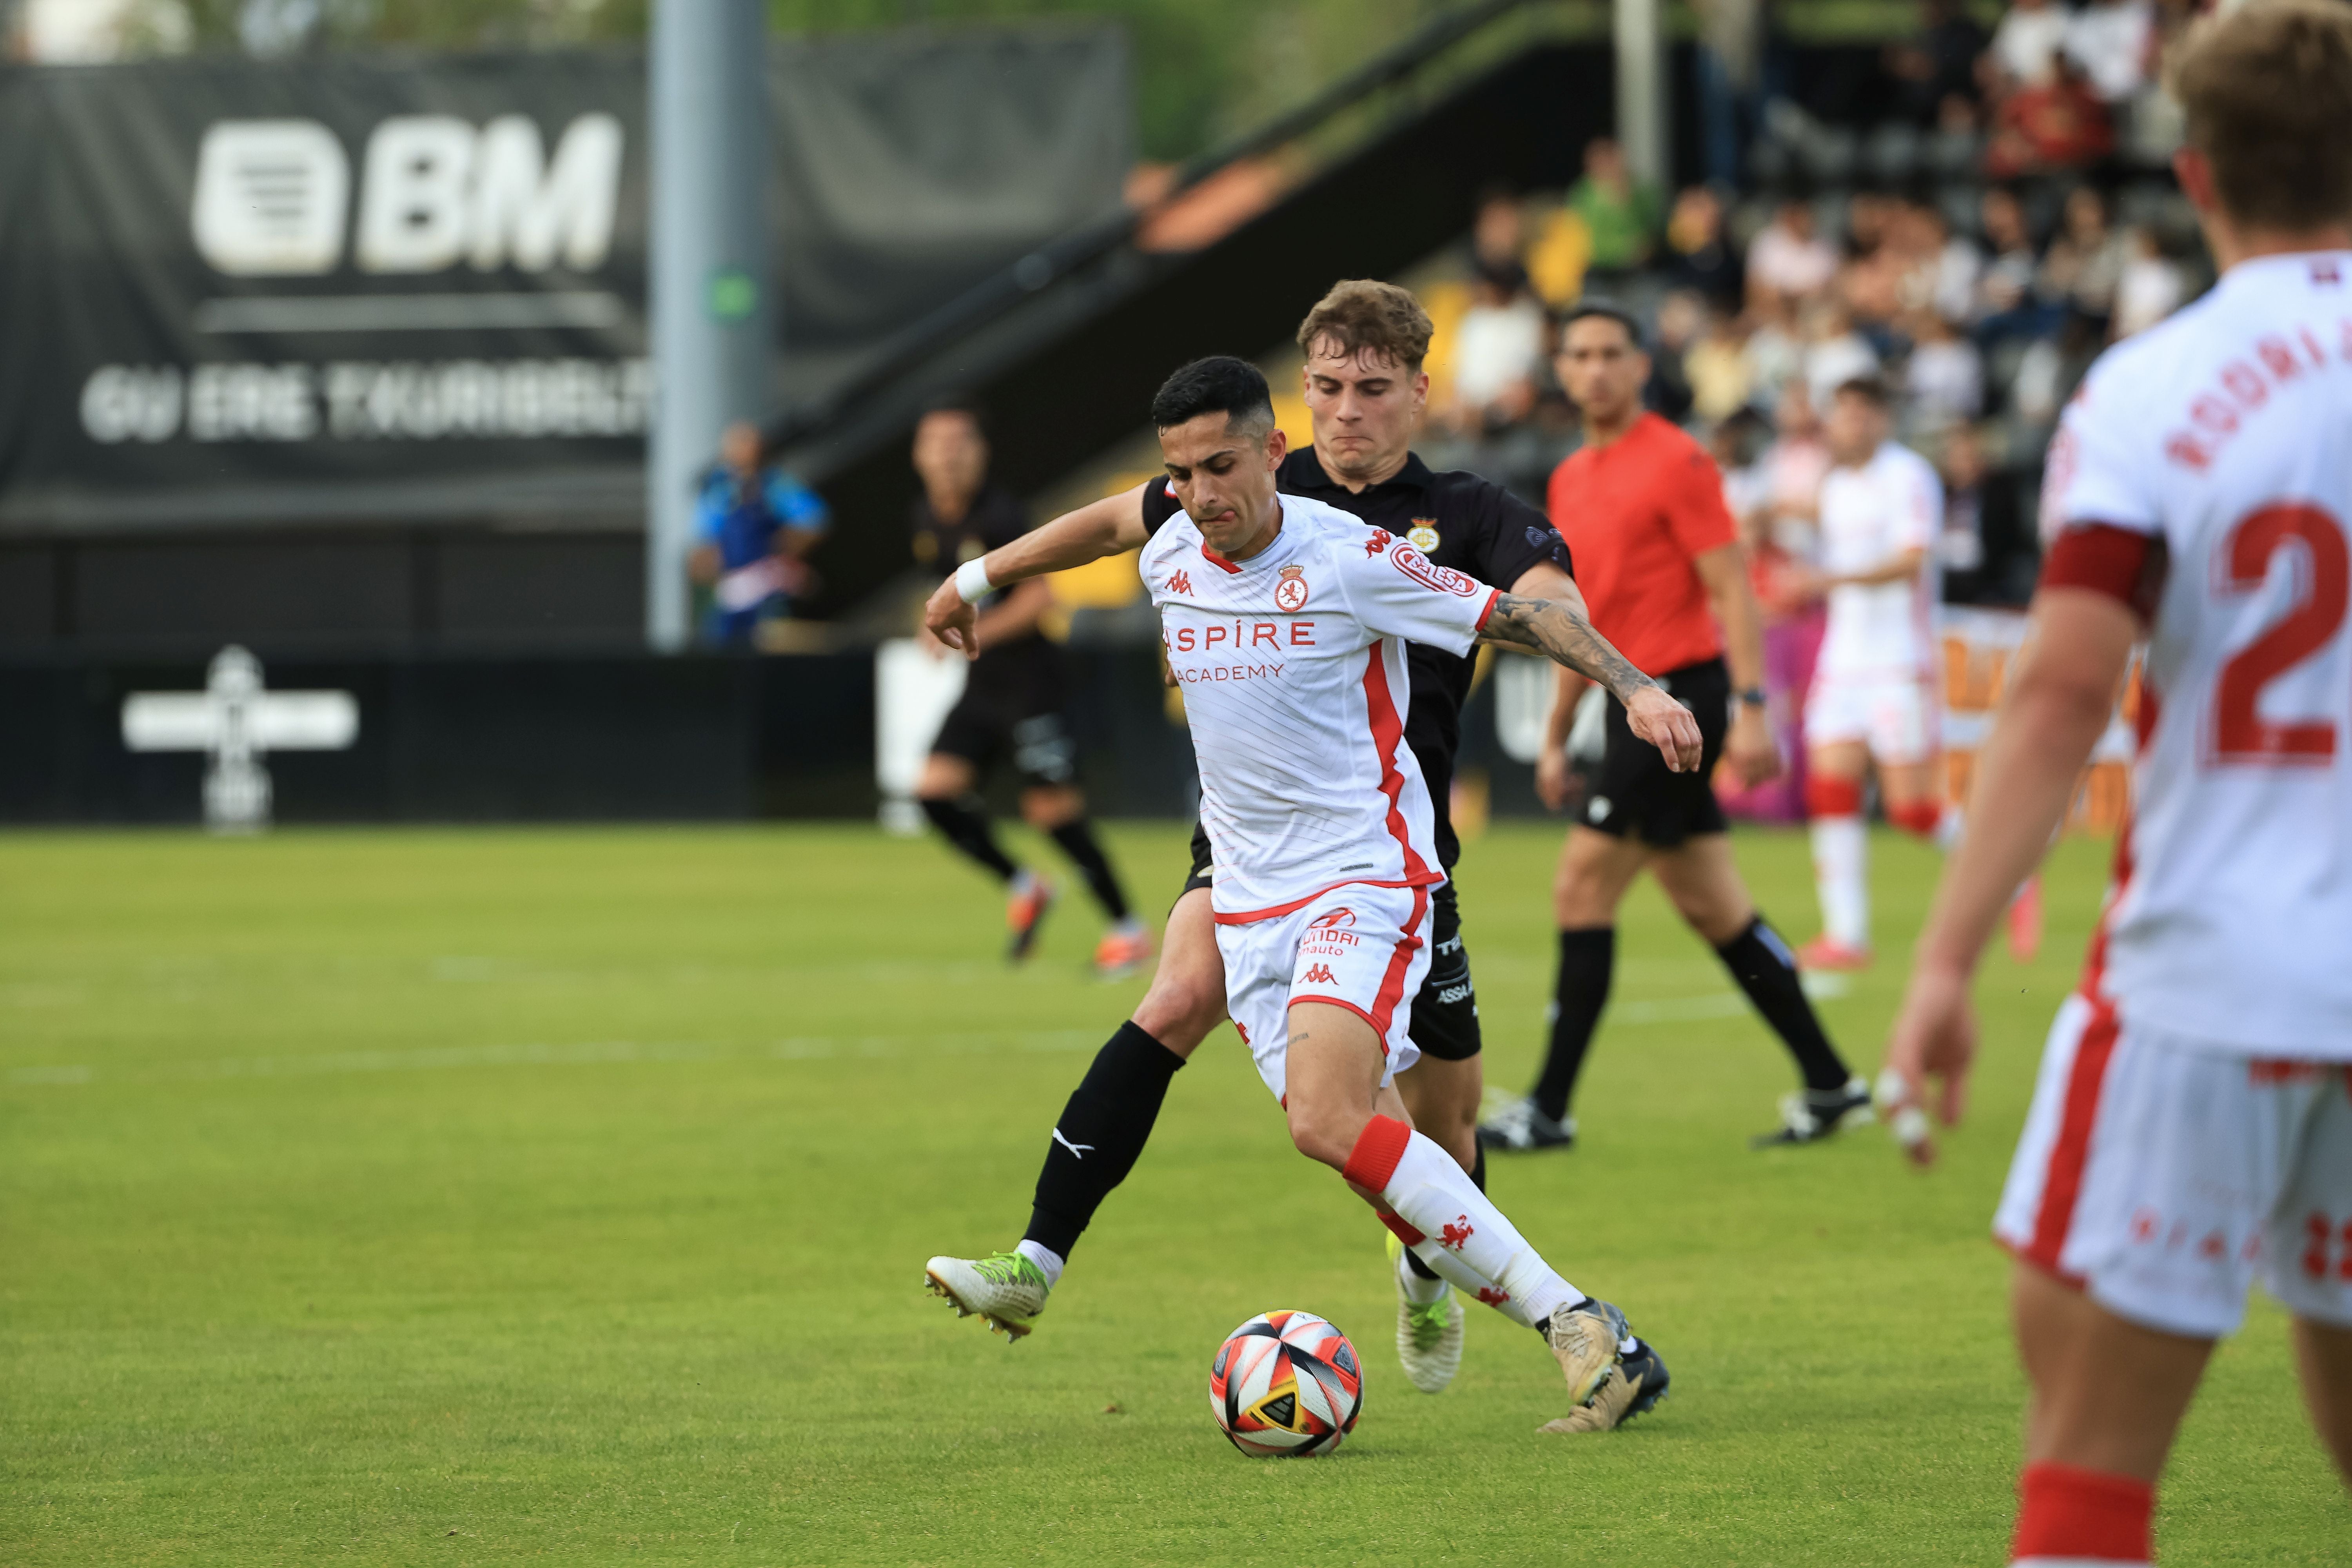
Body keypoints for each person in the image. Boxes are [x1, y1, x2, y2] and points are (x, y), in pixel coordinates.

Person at [918, 280, 1668, 1397]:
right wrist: (978, 574)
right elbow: (1104, 525)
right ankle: (1034, 1261)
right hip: (1245, 864)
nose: (1198, 493)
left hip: (1373, 863)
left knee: (1425, 1127)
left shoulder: (1377, 540)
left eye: (1220, 469)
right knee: (1200, 1022)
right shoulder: (1180, 530)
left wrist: (1636, 687)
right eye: (1330, 387)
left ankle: (1536, 1312)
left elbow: (1522, 609)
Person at [1880, 4, 2352, 1557]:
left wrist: (1946, 958)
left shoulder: (2159, 387)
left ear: (2194, 173)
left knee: (2087, 1474)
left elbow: (2071, 686)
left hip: (2210, 984)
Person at [1479, 303, 1873, 1153]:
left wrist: (1755, 706)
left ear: (1641, 364)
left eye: (1610, 353)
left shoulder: (1678, 460)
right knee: (1715, 906)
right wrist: (1557, 733)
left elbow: (1732, 587)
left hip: (1683, 697)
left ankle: (1548, 1108)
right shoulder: (1573, 477)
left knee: (1582, 886)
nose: (1593, 369)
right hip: (1628, 698)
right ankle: (1832, 1081)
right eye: (1577, 354)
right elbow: (1576, 619)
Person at [906, 401, 1149, 978]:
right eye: (935, 443)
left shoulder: (1001, 514)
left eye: (959, 443)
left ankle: (1128, 930)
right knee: (934, 794)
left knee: (1053, 813)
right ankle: (1026, 885)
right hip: (983, 685)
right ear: (918, 456)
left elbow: (1041, 597)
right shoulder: (924, 517)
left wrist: (972, 631)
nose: (947, 455)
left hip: (1031, 685)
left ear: (979, 452)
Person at [1788, 377, 1955, 971]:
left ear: (1882, 419)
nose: (1851, 424)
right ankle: (1846, 936)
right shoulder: (1835, 486)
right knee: (1830, 792)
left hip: (1898, 662)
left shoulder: (1908, 476)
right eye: (1843, 414)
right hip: (1843, 665)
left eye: (1863, 413)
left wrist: (1827, 581)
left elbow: (1913, 562)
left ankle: (2006, 871)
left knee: (1910, 811)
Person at [688, 421, 829, 648]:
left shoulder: (776, 485)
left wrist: (782, 553)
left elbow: (815, 521)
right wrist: (712, 565)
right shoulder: (718, 490)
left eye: (749, 444)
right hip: (732, 591)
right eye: (737, 444)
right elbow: (703, 544)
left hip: (770, 590)